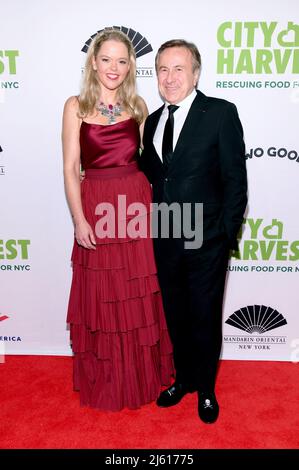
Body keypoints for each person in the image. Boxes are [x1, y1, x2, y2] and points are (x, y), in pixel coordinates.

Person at [62, 29, 174, 412]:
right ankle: (109, 380)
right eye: (106, 59)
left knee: (138, 293)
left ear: (131, 67)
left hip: (135, 206)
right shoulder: (75, 106)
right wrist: (79, 220)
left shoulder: (139, 106)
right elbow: (70, 167)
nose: (114, 67)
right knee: (103, 294)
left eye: (122, 61)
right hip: (96, 205)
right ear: (93, 62)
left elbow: (151, 162)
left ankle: (140, 376)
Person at [140, 39, 247, 423]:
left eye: (179, 69)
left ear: (196, 73)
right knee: (176, 315)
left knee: (204, 315)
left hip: (207, 240)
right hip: (165, 238)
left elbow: (236, 180)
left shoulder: (219, 113)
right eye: (163, 70)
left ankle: (205, 388)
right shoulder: (151, 121)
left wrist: (223, 236)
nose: (170, 78)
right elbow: (154, 178)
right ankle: (183, 379)